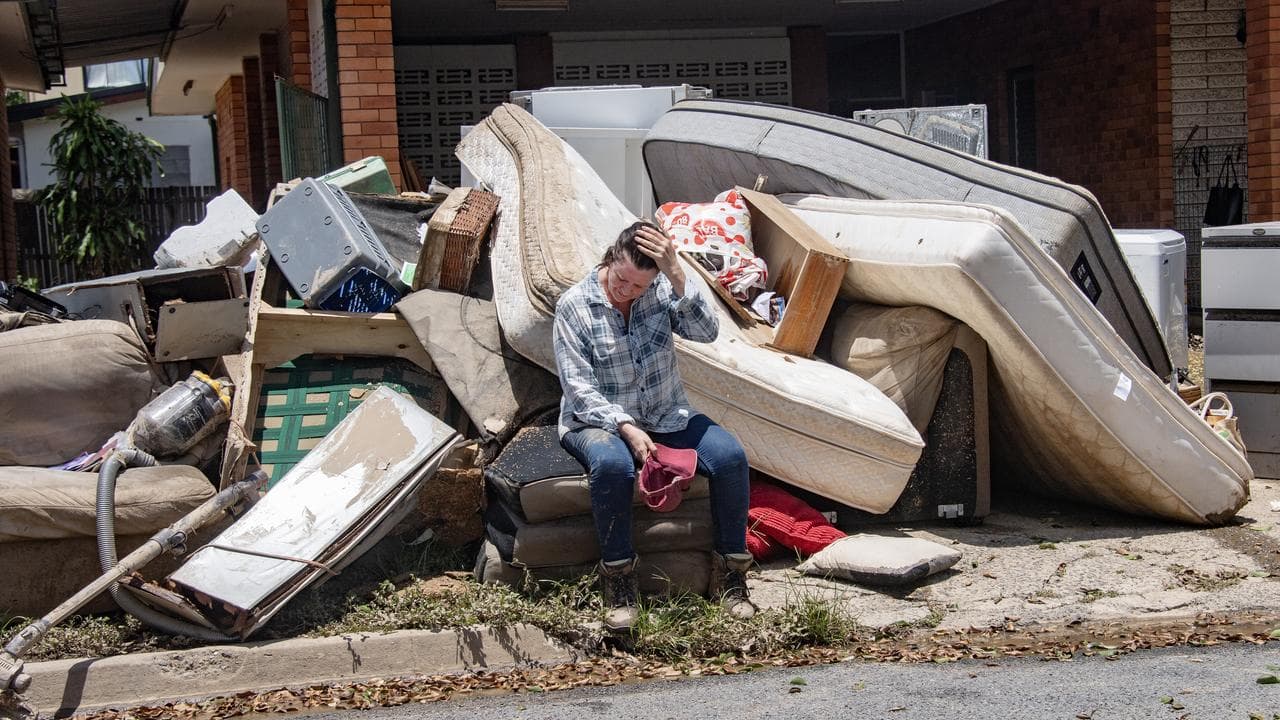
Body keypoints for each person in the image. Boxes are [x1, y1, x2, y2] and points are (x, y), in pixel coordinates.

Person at [553, 220, 756, 632]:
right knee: (613, 467)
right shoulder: (574, 305)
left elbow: (707, 331)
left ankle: (730, 579)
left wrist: (677, 274)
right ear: (611, 258)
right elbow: (578, 388)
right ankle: (619, 581)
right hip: (599, 421)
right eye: (623, 280)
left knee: (731, 457)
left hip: (665, 415)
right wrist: (625, 426)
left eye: (639, 287)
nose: (627, 291)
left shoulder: (663, 290)